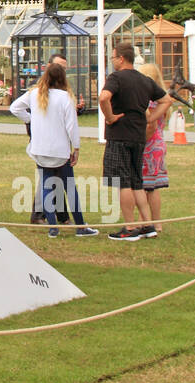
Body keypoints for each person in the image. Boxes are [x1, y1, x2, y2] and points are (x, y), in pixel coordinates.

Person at [9, 62, 99, 238]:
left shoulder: (33, 94)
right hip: (60, 151)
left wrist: (30, 119)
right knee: (69, 188)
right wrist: (77, 148)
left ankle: (52, 227)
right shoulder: (65, 97)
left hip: (40, 150)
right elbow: (72, 126)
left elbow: (14, 108)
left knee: (46, 186)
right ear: (63, 78)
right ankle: (80, 227)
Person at [99, 43, 167, 241]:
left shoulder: (116, 78)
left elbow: (104, 97)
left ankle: (129, 227)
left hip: (119, 135)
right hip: (138, 137)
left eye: (113, 58)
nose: (112, 61)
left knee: (123, 182)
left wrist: (110, 117)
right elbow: (166, 100)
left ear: (121, 58)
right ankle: (147, 225)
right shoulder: (144, 80)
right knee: (137, 182)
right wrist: (150, 119)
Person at [138, 62, 174, 236]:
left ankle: (145, 221)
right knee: (153, 187)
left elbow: (150, 126)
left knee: (143, 186)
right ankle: (156, 222)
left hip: (148, 145)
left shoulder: (149, 101)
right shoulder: (162, 98)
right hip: (159, 144)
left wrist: (139, 142)